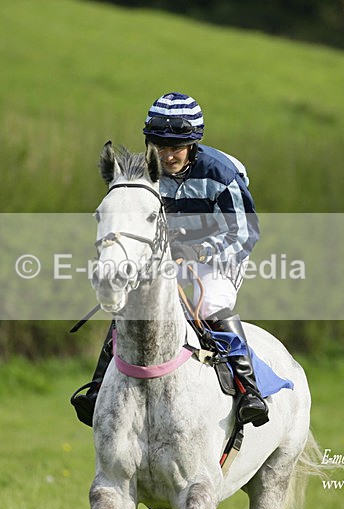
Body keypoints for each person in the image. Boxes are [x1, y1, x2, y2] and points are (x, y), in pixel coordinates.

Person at [71, 92, 267, 427]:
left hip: (219, 254)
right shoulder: (145, 174)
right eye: (159, 145)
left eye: (177, 146)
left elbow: (245, 234)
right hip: (164, 257)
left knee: (209, 307)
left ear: (193, 143)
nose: (168, 154)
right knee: (131, 305)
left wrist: (201, 252)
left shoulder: (220, 174)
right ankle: (99, 387)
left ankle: (249, 389)